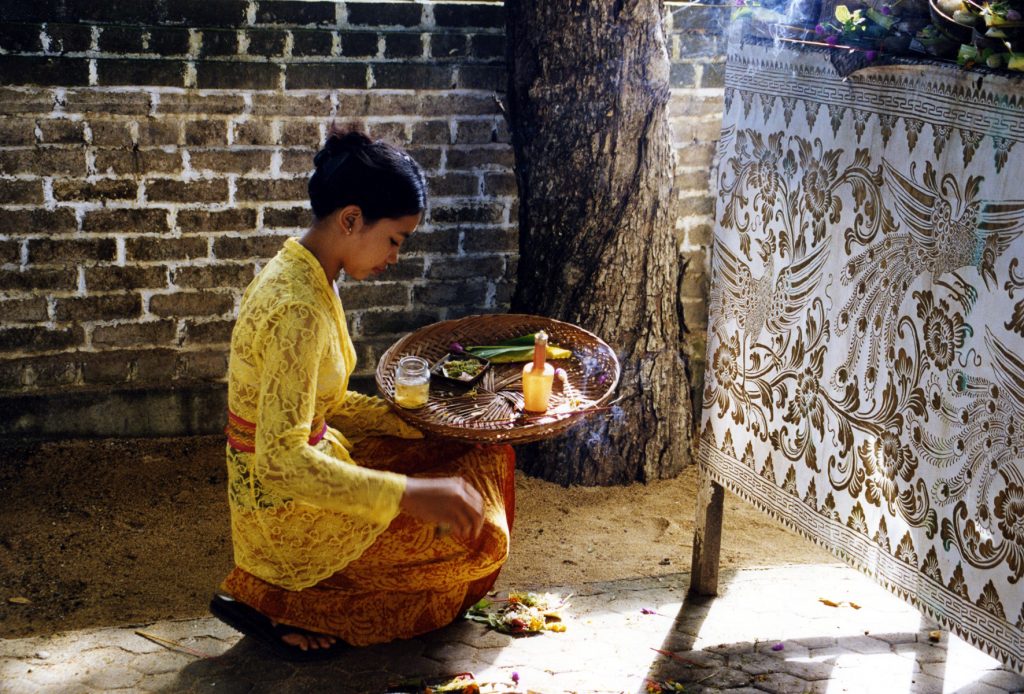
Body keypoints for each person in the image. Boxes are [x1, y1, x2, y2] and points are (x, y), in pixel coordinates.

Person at [209, 128, 516, 660]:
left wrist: (422, 421)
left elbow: (323, 406)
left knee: (478, 454)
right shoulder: (299, 307)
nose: (395, 257)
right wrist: (411, 493)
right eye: (395, 240)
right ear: (351, 219)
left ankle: (291, 593)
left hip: (310, 469)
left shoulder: (308, 273)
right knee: (480, 536)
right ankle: (283, 598)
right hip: (286, 516)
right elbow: (283, 462)